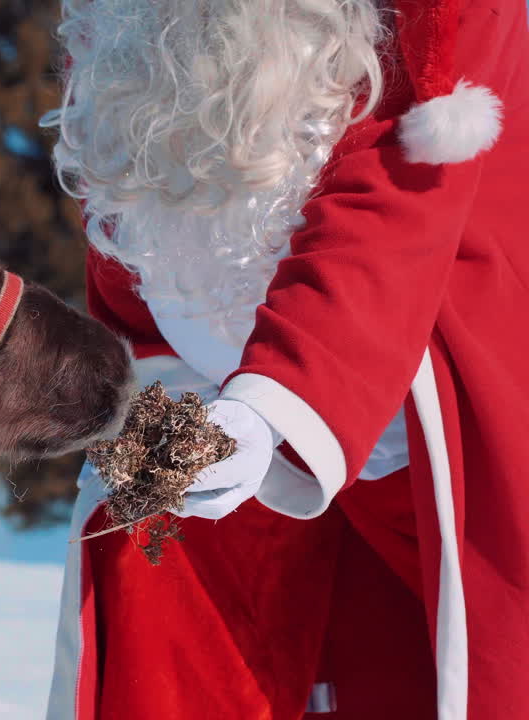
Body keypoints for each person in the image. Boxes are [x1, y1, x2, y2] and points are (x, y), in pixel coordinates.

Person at [40, 0, 528, 718]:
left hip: (416, 404)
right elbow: (126, 170)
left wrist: (276, 398)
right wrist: (144, 374)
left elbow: (399, 188)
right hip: (221, 405)